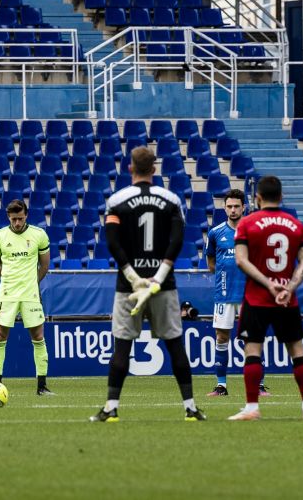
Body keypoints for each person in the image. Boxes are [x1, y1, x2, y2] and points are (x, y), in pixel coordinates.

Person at [90, 146, 205, 423]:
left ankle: (111, 408)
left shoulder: (117, 200)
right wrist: (158, 277)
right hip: (163, 285)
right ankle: (190, 408)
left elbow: (113, 242)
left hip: (128, 287)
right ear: (154, 170)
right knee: (175, 344)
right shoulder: (171, 199)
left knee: (122, 347)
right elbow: (177, 241)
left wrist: (133, 277)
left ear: (130, 168)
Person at [229, 175, 303, 421]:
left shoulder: (247, 224)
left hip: (257, 297)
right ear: (281, 197)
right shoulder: (296, 225)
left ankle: (251, 408)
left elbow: (240, 260)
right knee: (297, 350)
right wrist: (288, 287)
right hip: (286, 298)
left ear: (257, 198)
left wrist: (268, 284)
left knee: (252, 351)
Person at [205, 189, 268, 397]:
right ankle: (221, 385)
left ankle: (258, 385)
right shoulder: (215, 233)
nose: (232, 210)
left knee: (252, 339)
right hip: (223, 294)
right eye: (229, 206)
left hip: (249, 294)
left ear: (244, 207)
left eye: (236, 206)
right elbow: (211, 263)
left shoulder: (253, 231)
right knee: (221, 337)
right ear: (224, 208)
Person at [0, 199, 53, 395]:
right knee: (0, 337)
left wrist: (32, 283)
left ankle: (42, 387)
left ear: (26, 215)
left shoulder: (39, 235)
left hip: (30, 295)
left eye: (21, 219)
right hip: (7, 294)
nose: (17, 223)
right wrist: (10, 281)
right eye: (14, 219)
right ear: (8, 217)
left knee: (38, 337)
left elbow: (45, 266)